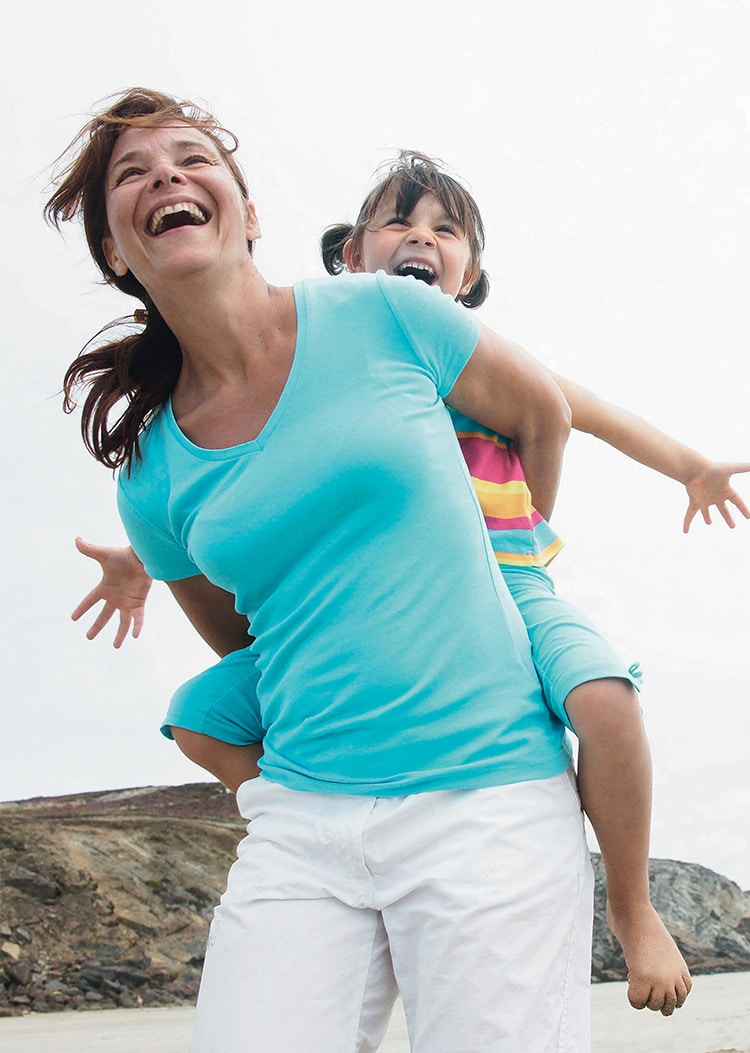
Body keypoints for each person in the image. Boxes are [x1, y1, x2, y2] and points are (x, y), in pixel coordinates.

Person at [73, 151, 750, 1016]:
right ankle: (273, 800)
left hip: (503, 580)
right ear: (349, 255)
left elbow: (574, 413)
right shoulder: (329, 362)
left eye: (445, 230)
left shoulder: (449, 346)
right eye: (398, 224)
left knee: (608, 700)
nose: (421, 239)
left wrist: (684, 471)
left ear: (471, 275)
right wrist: (138, 562)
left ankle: (632, 907)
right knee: (197, 715)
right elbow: (240, 500)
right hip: (330, 692)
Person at [49, 88, 594, 1052]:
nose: (167, 176)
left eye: (192, 157)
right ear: (112, 250)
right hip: (305, 819)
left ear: (247, 212)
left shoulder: (387, 314)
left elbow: (540, 413)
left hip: (489, 796)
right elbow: (251, 638)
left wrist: (504, 562)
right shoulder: (151, 476)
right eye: (132, 175)